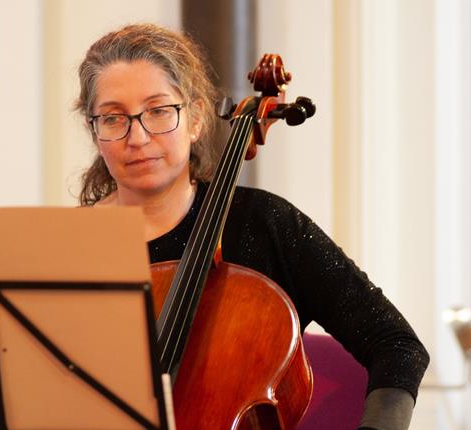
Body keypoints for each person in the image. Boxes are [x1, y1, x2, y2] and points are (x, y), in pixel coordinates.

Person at [75, 23, 429, 430]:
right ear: (94, 131)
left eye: (158, 111)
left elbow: (397, 345)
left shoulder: (264, 225)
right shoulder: (70, 249)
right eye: (114, 118)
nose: (136, 136)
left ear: (195, 119)